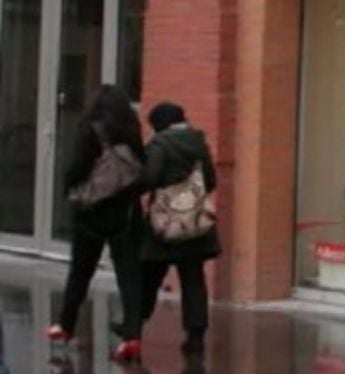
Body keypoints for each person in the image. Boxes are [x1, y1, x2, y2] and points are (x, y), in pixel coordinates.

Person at [47, 85, 145, 362]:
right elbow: (141, 167)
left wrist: (69, 188)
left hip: (91, 213)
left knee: (80, 272)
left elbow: (78, 167)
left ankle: (65, 325)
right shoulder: (131, 131)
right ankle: (132, 336)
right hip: (125, 213)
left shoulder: (90, 130)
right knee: (129, 276)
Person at [139, 102, 220, 355]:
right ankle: (196, 334)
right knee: (193, 277)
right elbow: (211, 180)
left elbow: (150, 178)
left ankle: (134, 323)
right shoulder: (199, 142)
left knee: (150, 273)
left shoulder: (160, 144)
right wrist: (189, 194)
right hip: (194, 220)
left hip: (165, 220)